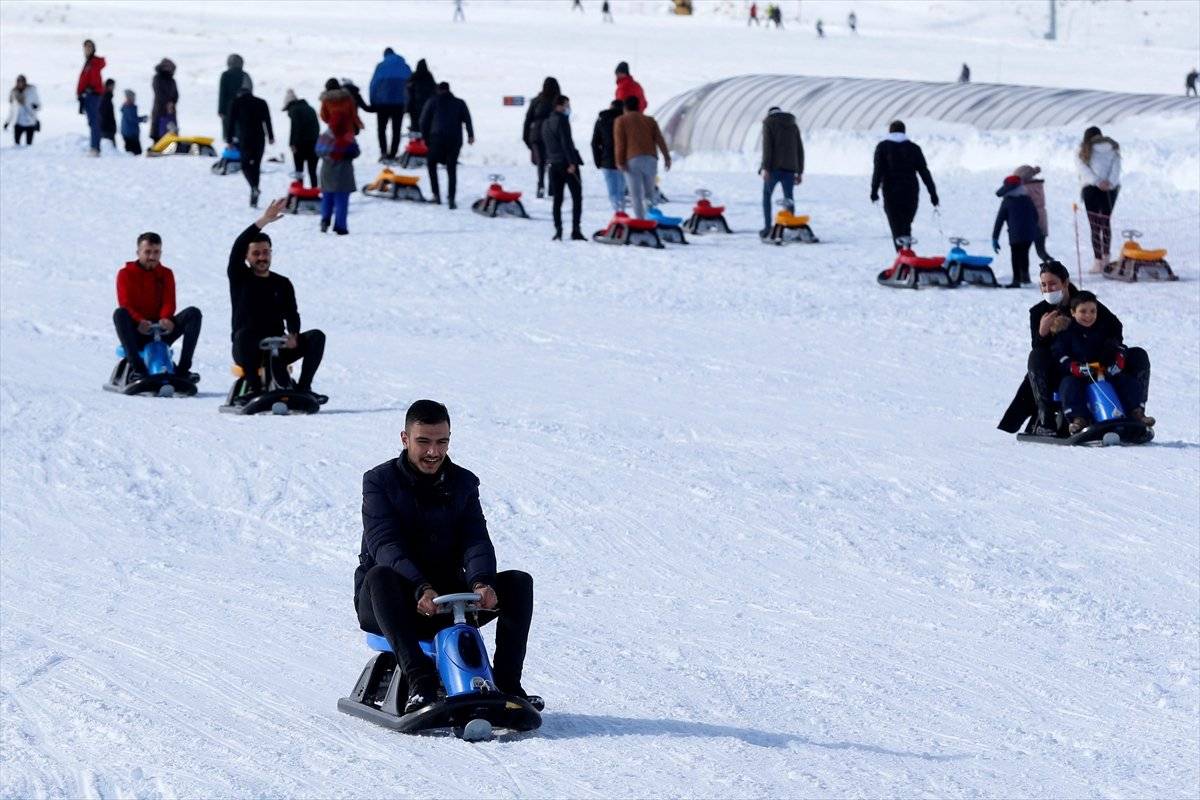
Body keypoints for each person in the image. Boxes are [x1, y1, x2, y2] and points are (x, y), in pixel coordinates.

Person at [356, 399, 540, 714]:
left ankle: (508, 685)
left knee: (519, 583)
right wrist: (420, 587)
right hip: (393, 601)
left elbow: (475, 539)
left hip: (447, 600)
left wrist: (481, 581)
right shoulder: (379, 482)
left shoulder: (463, 483)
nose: (433, 451)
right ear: (405, 439)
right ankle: (420, 681)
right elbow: (384, 545)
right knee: (379, 574)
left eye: (442, 442)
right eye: (423, 442)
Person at [997, 260, 1143, 436]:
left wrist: (1113, 350)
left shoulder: (1085, 302)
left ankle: (1137, 413)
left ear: (1065, 282)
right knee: (1036, 356)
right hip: (1063, 368)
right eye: (1044, 285)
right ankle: (1047, 419)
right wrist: (1042, 333)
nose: (1048, 289)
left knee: (1138, 355)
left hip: (1099, 363)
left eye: (1053, 283)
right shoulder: (1039, 312)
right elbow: (1039, 349)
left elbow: (1115, 327)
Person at [225, 198, 327, 404]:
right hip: (248, 348)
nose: (261, 257)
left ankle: (304, 388)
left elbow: (292, 313)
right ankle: (253, 388)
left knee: (316, 337)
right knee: (244, 336)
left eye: (265, 252)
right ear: (247, 257)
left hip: (278, 346)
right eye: (256, 253)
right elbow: (238, 246)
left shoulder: (282, 283)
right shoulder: (240, 277)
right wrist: (263, 220)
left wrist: (293, 334)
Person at [1053, 290, 1154, 434]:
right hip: (1079, 375)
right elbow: (1059, 354)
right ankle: (1079, 419)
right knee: (1069, 386)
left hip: (1103, 372)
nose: (1088, 316)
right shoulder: (1066, 334)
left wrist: (1119, 358)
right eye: (1083, 311)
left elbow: (1118, 346)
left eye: (1092, 311)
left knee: (1127, 382)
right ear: (1073, 312)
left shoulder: (1103, 330)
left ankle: (1136, 413)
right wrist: (1073, 367)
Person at [113, 232, 202, 383]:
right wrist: (139, 321)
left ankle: (183, 370)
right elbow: (125, 303)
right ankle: (138, 370)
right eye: (147, 252)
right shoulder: (125, 274)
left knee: (193, 313)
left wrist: (165, 318)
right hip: (138, 330)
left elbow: (169, 301)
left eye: (156, 252)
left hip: (162, 330)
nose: (152, 257)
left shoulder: (166, 273)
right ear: (138, 252)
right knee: (120, 313)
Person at [870, 120, 938, 250]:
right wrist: (933, 193)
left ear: (890, 131)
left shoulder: (882, 147)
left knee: (896, 226)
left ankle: (902, 255)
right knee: (906, 225)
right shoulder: (914, 148)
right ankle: (907, 252)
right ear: (904, 131)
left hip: (891, 191)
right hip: (910, 191)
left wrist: (874, 191)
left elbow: (878, 171)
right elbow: (924, 172)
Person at [613, 95, 670, 219]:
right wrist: (667, 157)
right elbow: (660, 140)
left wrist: (619, 161)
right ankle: (651, 218)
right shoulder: (650, 120)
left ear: (625, 108)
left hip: (632, 160)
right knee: (649, 194)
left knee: (636, 195)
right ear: (639, 107)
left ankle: (641, 221)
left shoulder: (621, 121)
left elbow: (620, 143)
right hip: (651, 159)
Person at [317, 80, 361, 235]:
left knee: (327, 196)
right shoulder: (348, 136)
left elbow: (318, 150)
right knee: (342, 199)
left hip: (328, 170)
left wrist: (329, 154)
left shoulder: (326, 135)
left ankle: (325, 219)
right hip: (344, 171)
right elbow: (356, 152)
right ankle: (340, 226)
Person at [419, 81, 474, 208]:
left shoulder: (432, 101)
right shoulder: (459, 102)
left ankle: (436, 195)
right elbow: (468, 120)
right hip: (455, 140)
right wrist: (470, 135)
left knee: (431, 164)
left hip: (436, 139)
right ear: (449, 90)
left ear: (438, 90)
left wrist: (425, 139)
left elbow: (423, 121)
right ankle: (451, 199)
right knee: (451, 168)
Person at [1078, 126, 1121, 273]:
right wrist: (1109, 182)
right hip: (1110, 190)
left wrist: (1097, 181)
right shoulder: (1112, 148)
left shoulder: (1084, 149)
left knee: (1095, 226)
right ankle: (1106, 258)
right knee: (1105, 223)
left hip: (1090, 189)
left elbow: (1082, 169)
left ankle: (1098, 262)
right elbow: (1116, 169)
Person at [541, 95, 584, 241]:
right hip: (566, 163)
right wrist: (572, 162)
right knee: (576, 196)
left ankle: (558, 229)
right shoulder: (562, 121)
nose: (568, 108)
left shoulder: (546, 122)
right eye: (567, 105)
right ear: (559, 105)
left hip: (553, 164)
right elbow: (566, 142)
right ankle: (576, 230)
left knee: (557, 199)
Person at [228, 75, 274, 208]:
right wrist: (270, 136)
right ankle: (254, 197)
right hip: (260, 138)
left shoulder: (236, 102)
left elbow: (231, 122)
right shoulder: (261, 102)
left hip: (245, 138)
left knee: (245, 165)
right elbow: (267, 120)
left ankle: (254, 187)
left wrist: (229, 139)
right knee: (256, 166)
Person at [991, 174, 1044, 288]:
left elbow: (999, 220)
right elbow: (1035, 215)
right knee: (1024, 254)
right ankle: (1025, 277)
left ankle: (1016, 280)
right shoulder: (1027, 199)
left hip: (1015, 234)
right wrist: (1031, 227)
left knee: (1015, 255)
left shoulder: (1007, 201)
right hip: (1029, 234)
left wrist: (995, 238)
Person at [759, 105, 804, 237]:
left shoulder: (769, 123)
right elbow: (799, 149)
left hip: (773, 169)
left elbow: (767, 147)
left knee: (767, 196)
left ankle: (768, 228)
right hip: (790, 170)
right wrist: (800, 172)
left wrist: (765, 168)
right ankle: (790, 227)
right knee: (789, 198)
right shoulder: (792, 124)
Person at [369, 48, 411, 163]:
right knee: (396, 130)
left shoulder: (381, 66)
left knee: (381, 129)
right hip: (399, 104)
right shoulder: (405, 67)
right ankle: (393, 154)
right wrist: (408, 103)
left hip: (383, 103)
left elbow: (374, 85)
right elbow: (411, 86)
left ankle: (383, 152)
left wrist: (373, 101)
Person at [523, 77, 561, 199]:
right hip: (552, 135)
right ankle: (552, 188)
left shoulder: (536, 101)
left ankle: (541, 186)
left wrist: (526, 138)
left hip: (536, 135)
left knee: (540, 162)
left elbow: (527, 120)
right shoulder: (557, 102)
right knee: (551, 161)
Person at [591, 98, 626, 213]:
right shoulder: (625, 120)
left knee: (612, 191)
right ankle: (621, 212)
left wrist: (598, 161)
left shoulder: (602, 120)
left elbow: (594, 143)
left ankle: (617, 212)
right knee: (621, 190)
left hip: (606, 160)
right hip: (623, 160)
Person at [1014, 164, 1051, 261]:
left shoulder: (1025, 189)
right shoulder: (1038, 185)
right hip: (1042, 220)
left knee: (1022, 252)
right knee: (1041, 251)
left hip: (1029, 222)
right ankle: (1052, 265)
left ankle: (1051, 266)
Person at [283, 89, 319, 188]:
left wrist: (292, 143)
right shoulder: (310, 108)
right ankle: (314, 191)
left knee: (299, 171)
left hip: (300, 145)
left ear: (289, 105)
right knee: (312, 171)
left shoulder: (294, 110)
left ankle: (300, 191)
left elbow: (295, 128)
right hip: (314, 143)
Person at [77, 39, 106, 156]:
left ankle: (95, 148)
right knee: (92, 122)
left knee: (94, 122)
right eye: (85, 47)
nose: (87, 49)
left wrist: (89, 89)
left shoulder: (93, 63)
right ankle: (94, 146)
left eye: (89, 47)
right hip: (87, 95)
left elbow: (93, 79)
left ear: (93, 49)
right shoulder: (88, 62)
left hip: (92, 95)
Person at [218, 54, 246, 144]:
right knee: (240, 132)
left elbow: (222, 93)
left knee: (229, 134)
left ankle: (231, 149)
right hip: (243, 108)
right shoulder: (245, 75)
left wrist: (221, 110)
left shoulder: (226, 75)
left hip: (228, 108)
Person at [4, 75, 40, 146]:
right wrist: (7, 122)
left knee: (29, 146)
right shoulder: (13, 92)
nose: (20, 83)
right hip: (18, 123)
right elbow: (12, 110)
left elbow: (38, 104)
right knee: (17, 145)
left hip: (30, 123)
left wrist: (36, 106)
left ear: (25, 82)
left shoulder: (31, 91)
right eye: (18, 81)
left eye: (22, 81)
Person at [405, 59, 436, 134]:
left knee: (415, 121)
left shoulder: (414, 76)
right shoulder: (429, 76)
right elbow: (434, 89)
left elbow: (408, 88)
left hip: (414, 104)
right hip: (427, 104)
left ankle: (415, 130)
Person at [150, 58, 178, 140]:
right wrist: (167, 103)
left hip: (171, 112)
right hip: (160, 110)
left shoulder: (172, 80)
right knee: (158, 136)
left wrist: (172, 103)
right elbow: (158, 93)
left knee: (172, 135)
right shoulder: (157, 78)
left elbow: (176, 94)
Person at [119, 89, 146, 155]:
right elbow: (133, 119)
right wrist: (142, 119)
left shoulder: (128, 107)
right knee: (135, 152)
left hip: (128, 133)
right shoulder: (129, 107)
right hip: (130, 134)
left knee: (132, 151)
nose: (134, 99)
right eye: (133, 97)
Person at [99, 79, 117, 149]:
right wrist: (110, 127)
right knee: (110, 150)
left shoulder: (106, 96)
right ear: (109, 86)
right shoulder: (105, 97)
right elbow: (103, 114)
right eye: (113, 86)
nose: (114, 88)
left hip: (107, 128)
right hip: (107, 129)